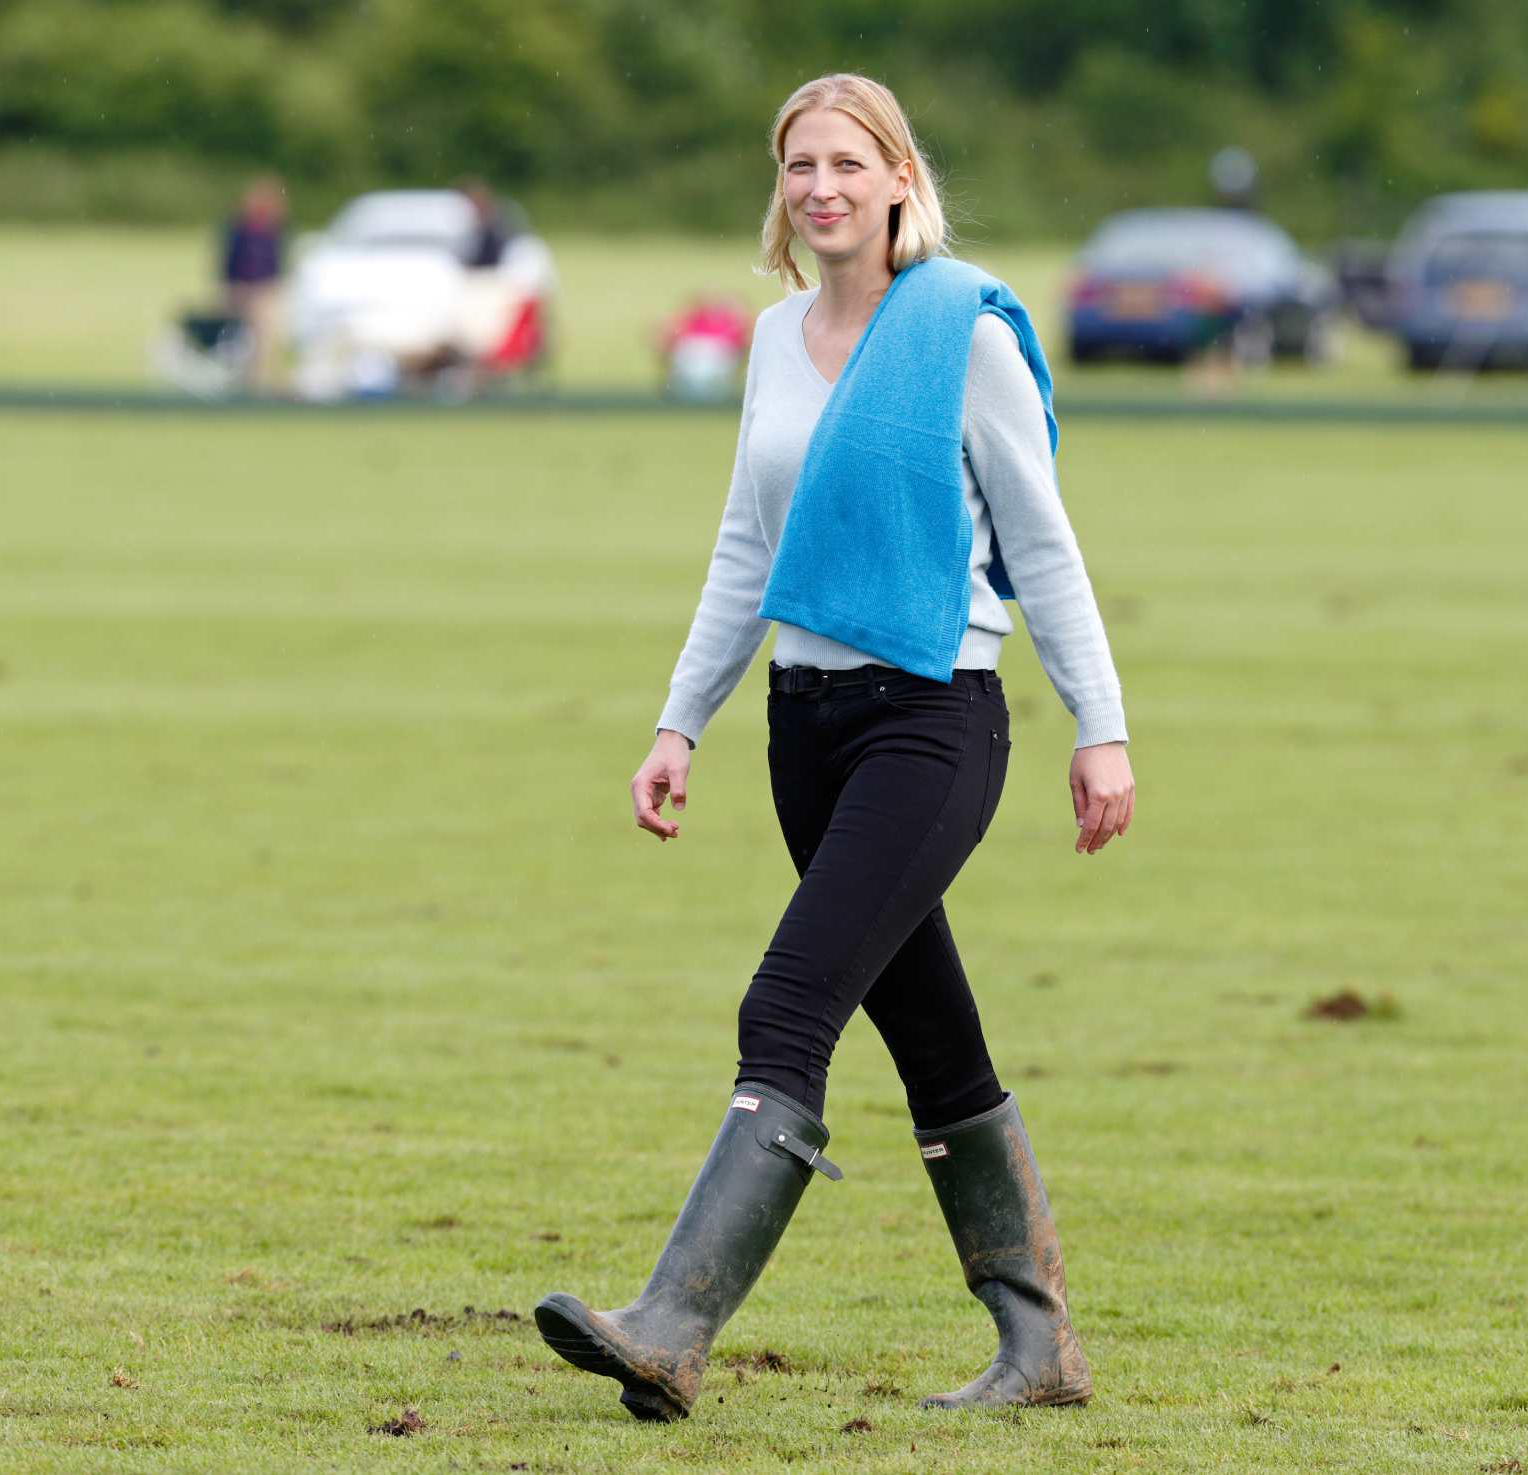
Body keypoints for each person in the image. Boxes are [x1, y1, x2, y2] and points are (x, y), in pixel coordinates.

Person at [534, 73, 1135, 1423]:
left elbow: (1043, 547)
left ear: (899, 179)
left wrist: (1102, 727)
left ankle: (672, 1327)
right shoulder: (769, 338)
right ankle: (1039, 1348)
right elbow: (750, 549)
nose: (823, 186)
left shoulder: (958, 333)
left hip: (932, 722)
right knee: (931, 1034)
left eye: (849, 163)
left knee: (786, 1006)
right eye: (801, 164)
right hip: (801, 729)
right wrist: (679, 715)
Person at [220, 176, 287, 391]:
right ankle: (250, 378)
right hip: (243, 288)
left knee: (266, 334)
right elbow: (230, 260)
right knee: (246, 335)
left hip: (264, 288)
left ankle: (262, 377)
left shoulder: (272, 230)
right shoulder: (240, 229)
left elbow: (276, 261)